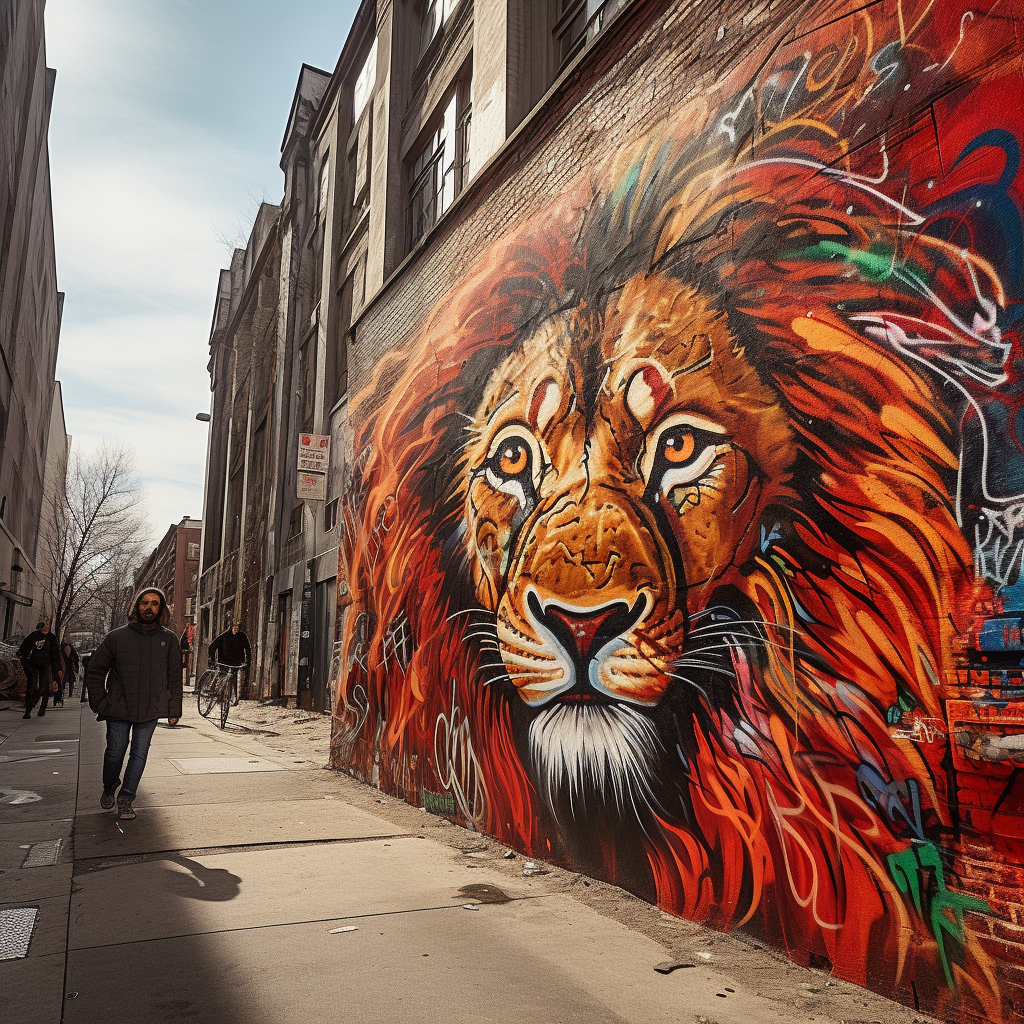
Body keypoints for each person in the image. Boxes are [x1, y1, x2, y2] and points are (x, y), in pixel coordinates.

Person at [87, 588, 182, 821]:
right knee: (114, 753)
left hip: (150, 708)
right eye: (144, 603)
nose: (149, 607)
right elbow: (96, 670)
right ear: (136, 606)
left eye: (154, 604)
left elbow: (174, 677)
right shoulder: (116, 637)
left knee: (139, 754)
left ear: (161, 610)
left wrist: (174, 709)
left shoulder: (168, 639)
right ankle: (109, 786)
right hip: (118, 707)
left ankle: (126, 799)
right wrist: (99, 702)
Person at [18, 620, 63, 719]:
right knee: (31, 687)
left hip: (45, 665)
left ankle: (42, 708)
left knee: (45, 687)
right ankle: (28, 710)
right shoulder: (34, 636)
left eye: (47, 625)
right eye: (45, 625)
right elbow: (24, 647)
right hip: (33, 665)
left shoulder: (51, 638)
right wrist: (23, 658)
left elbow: (55, 654)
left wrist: (58, 668)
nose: (46, 627)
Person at [208, 621, 252, 700]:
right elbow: (212, 646)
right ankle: (219, 694)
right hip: (224, 661)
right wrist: (212, 658)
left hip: (236, 661)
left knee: (234, 678)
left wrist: (247, 661)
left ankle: (234, 696)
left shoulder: (242, 636)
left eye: (237, 628)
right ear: (231, 628)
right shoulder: (224, 636)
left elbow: (247, 649)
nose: (235, 630)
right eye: (234, 628)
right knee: (222, 677)